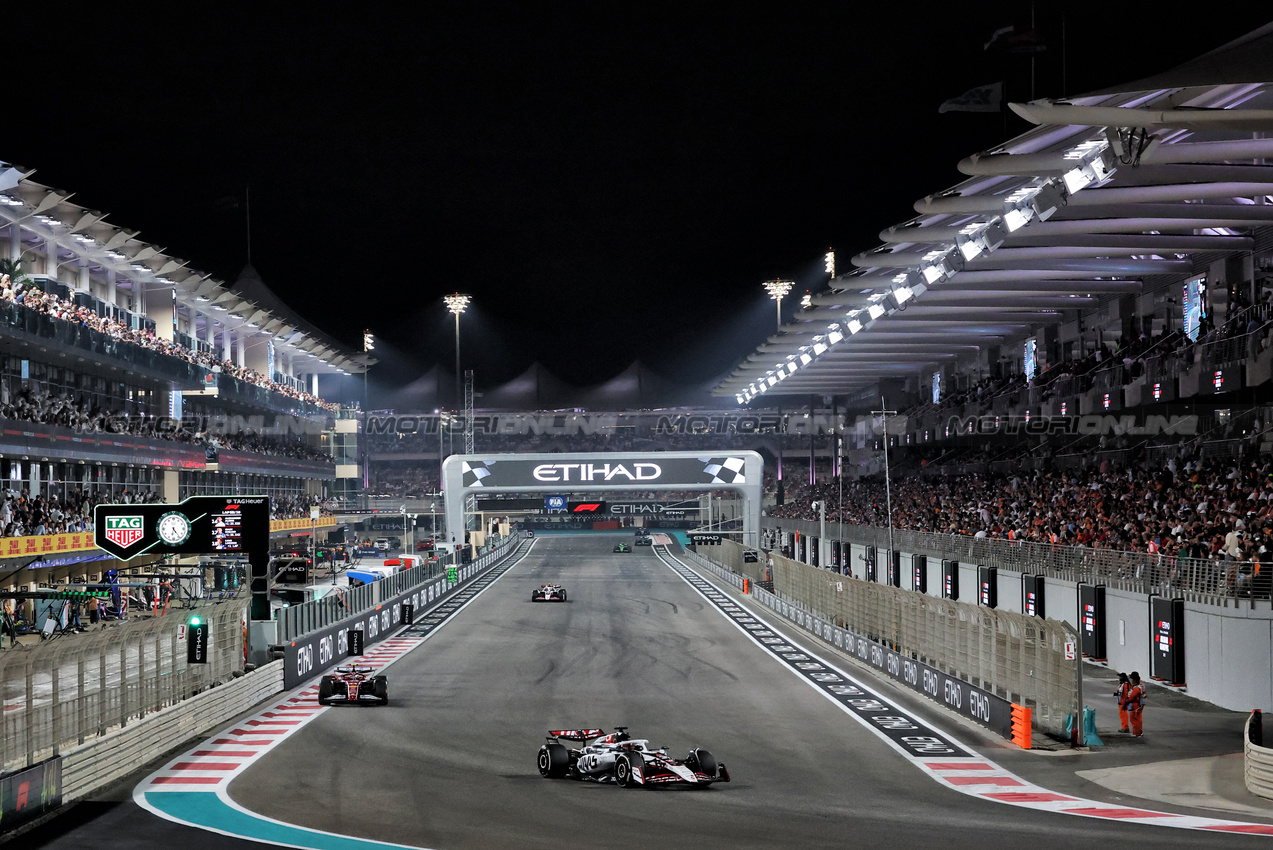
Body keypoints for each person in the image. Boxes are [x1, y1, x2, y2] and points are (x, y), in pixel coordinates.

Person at [1127, 671, 1146, 737]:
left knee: (1134, 719)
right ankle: (1139, 732)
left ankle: (1136, 733)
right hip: (1137, 705)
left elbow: (1131, 697)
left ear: (1134, 680)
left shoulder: (1136, 688)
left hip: (1135, 705)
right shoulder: (1139, 687)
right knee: (1137, 718)